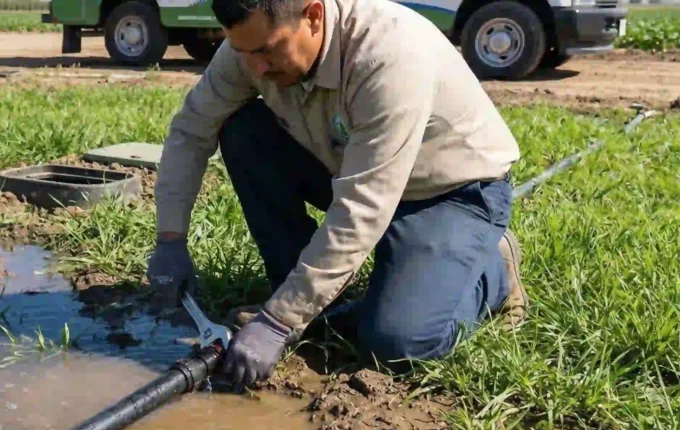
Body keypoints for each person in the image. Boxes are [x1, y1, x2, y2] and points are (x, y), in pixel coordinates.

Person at [146, 0, 529, 388]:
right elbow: (191, 131)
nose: (255, 68)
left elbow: (361, 207)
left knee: (398, 342)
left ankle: (492, 271)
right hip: (352, 168)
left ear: (313, 16)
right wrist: (170, 239)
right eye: (244, 52)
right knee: (244, 132)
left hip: (449, 193)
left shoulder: (389, 56)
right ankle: (298, 292)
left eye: (266, 50)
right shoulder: (250, 48)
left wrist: (278, 322)